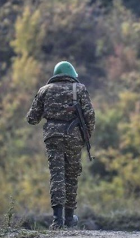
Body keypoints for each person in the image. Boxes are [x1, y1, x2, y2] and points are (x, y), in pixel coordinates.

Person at [26, 61, 95, 229]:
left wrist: (50, 111)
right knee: (71, 175)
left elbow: (32, 119)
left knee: (57, 175)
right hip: (73, 137)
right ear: (71, 74)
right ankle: (70, 219)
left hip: (52, 137)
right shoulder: (79, 89)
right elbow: (90, 116)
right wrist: (86, 135)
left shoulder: (44, 90)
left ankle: (57, 220)